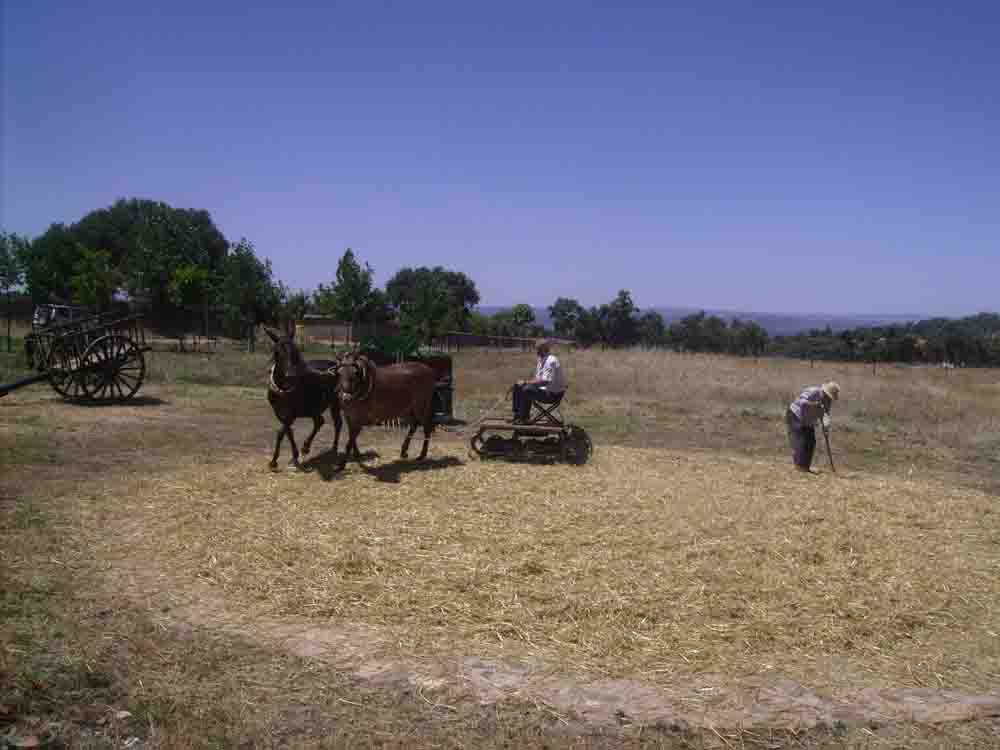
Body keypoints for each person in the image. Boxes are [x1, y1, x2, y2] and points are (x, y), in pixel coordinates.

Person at [786, 381, 840, 472]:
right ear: (824, 392)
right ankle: (799, 466)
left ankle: (805, 466)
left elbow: (825, 415)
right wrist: (814, 405)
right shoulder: (813, 391)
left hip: (808, 420)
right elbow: (801, 403)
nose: (828, 399)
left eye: (830, 398)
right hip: (796, 415)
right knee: (801, 440)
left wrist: (826, 427)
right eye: (827, 396)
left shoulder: (828, 401)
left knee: (811, 441)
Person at [512, 340, 566, 424]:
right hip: (545, 391)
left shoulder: (551, 361)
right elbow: (538, 379)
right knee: (517, 386)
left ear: (544, 349)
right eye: (536, 349)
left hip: (553, 395)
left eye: (538, 349)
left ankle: (524, 418)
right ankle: (517, 415)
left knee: (527, 390)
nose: (536, 351)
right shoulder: (541, 360)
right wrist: (524, 383)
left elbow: (545, 381)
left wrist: (526, 382)